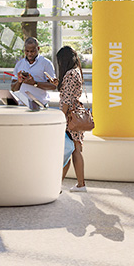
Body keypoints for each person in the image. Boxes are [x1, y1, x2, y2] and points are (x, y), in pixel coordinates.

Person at [49, 45, 89, 192]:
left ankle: (56, 185)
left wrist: (61, 118)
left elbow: (66, 99)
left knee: (66, 151)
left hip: (69, 117)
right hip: (76, 115)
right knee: (75, 150)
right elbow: (71, 92)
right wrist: (58, 83)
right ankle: (80, 184)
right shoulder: (77, 71)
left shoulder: (69, 74)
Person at [11, 37, 57, 110]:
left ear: (38, 48)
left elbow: (53, 86)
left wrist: (34, 83)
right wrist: (19, 82)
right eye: (27, 51)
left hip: (40, 105)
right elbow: (13, 88)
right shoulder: (19, 64)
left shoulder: (46, 63)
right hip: (22, 106)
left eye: (32, 51)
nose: (29, 54)